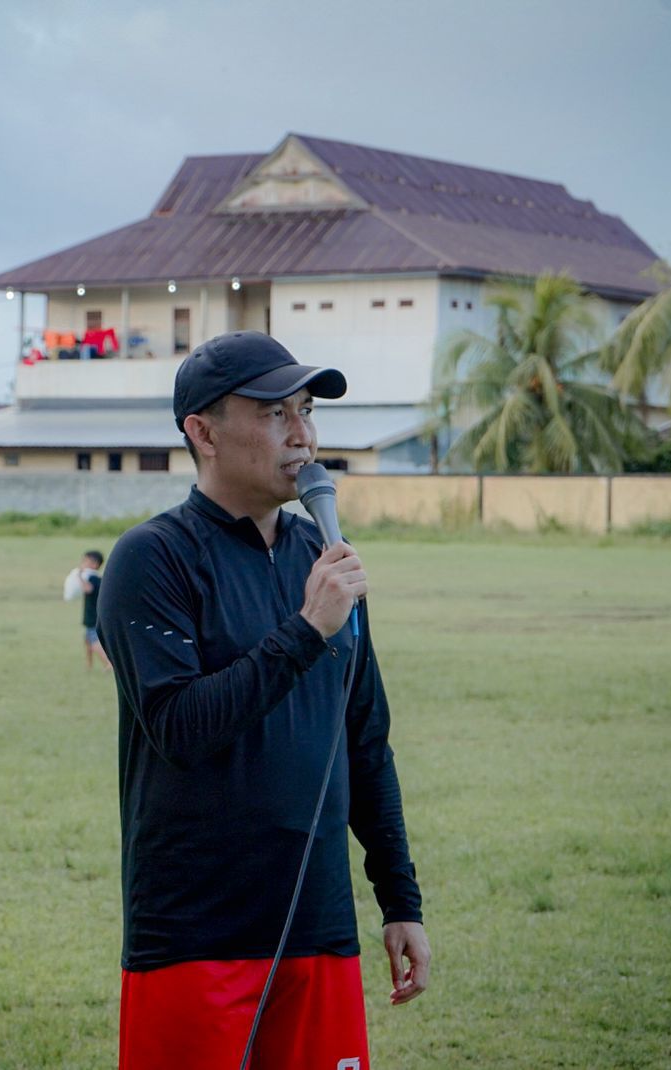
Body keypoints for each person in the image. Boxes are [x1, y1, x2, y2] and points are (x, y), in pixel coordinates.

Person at [97, 331, 429, 1069]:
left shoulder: (325, 560)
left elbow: (364, 741)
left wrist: (400, 900)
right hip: (195, 936)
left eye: (307, 410)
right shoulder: (152, 559)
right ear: (203, 431)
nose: (302, 434)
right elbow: (179, 727)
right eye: (276, 413)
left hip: (320, 929)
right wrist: (307, 629)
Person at [77, 550, 111, 670]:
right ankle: (89, 665)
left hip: (93, 617)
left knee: (94, 642)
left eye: (86, 561)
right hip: (93, 616)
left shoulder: (93, 578)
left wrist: (79, 575)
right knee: (87, 641)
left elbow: (88, 589)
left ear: (95, 564)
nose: (83, 563)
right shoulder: (98, 578)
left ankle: (109, 664)